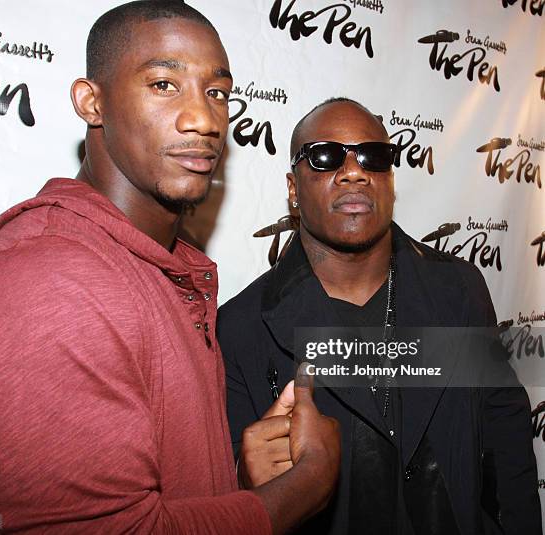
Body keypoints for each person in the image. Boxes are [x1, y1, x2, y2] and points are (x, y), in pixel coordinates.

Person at [0, 3, 340, 533]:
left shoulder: (155, 267)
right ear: (92, 102)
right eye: (163, 84)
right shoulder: (48, 283)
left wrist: (238, 487)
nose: (204, 118)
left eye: (217, 92)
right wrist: (306, 486)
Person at [217, 97, 542, 535]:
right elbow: (234, 485)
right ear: (293, 189)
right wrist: (245, 479)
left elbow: (504, 438)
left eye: (374, 157)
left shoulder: (458, 290)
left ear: (390, 182)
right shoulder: (241, 327)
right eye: (326, 156)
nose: (354, 172)